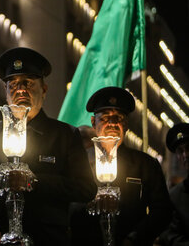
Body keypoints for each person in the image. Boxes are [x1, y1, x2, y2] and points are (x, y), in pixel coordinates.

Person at [0, 47, 97, 245]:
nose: (21, 89)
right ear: (5, 91)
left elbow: (86, 188)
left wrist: (37, 182)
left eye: (28, 83)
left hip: (48, 237)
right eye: (13, 84)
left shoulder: (64, 135)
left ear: (44, 89)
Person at [70, 86, 172, 246]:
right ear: (93, 123)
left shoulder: (145, 164)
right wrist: (89, 204)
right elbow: (65, 205)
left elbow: (162, 211)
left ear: (126, 124)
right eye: (104, 118)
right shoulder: (77, 163)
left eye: (118, 117)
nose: (112, 123)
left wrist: (134, 237)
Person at [157, 123, 189, 245]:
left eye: (188, 148)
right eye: (180, 151)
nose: (185, 155)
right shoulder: (174, 197)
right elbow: (169, 233)